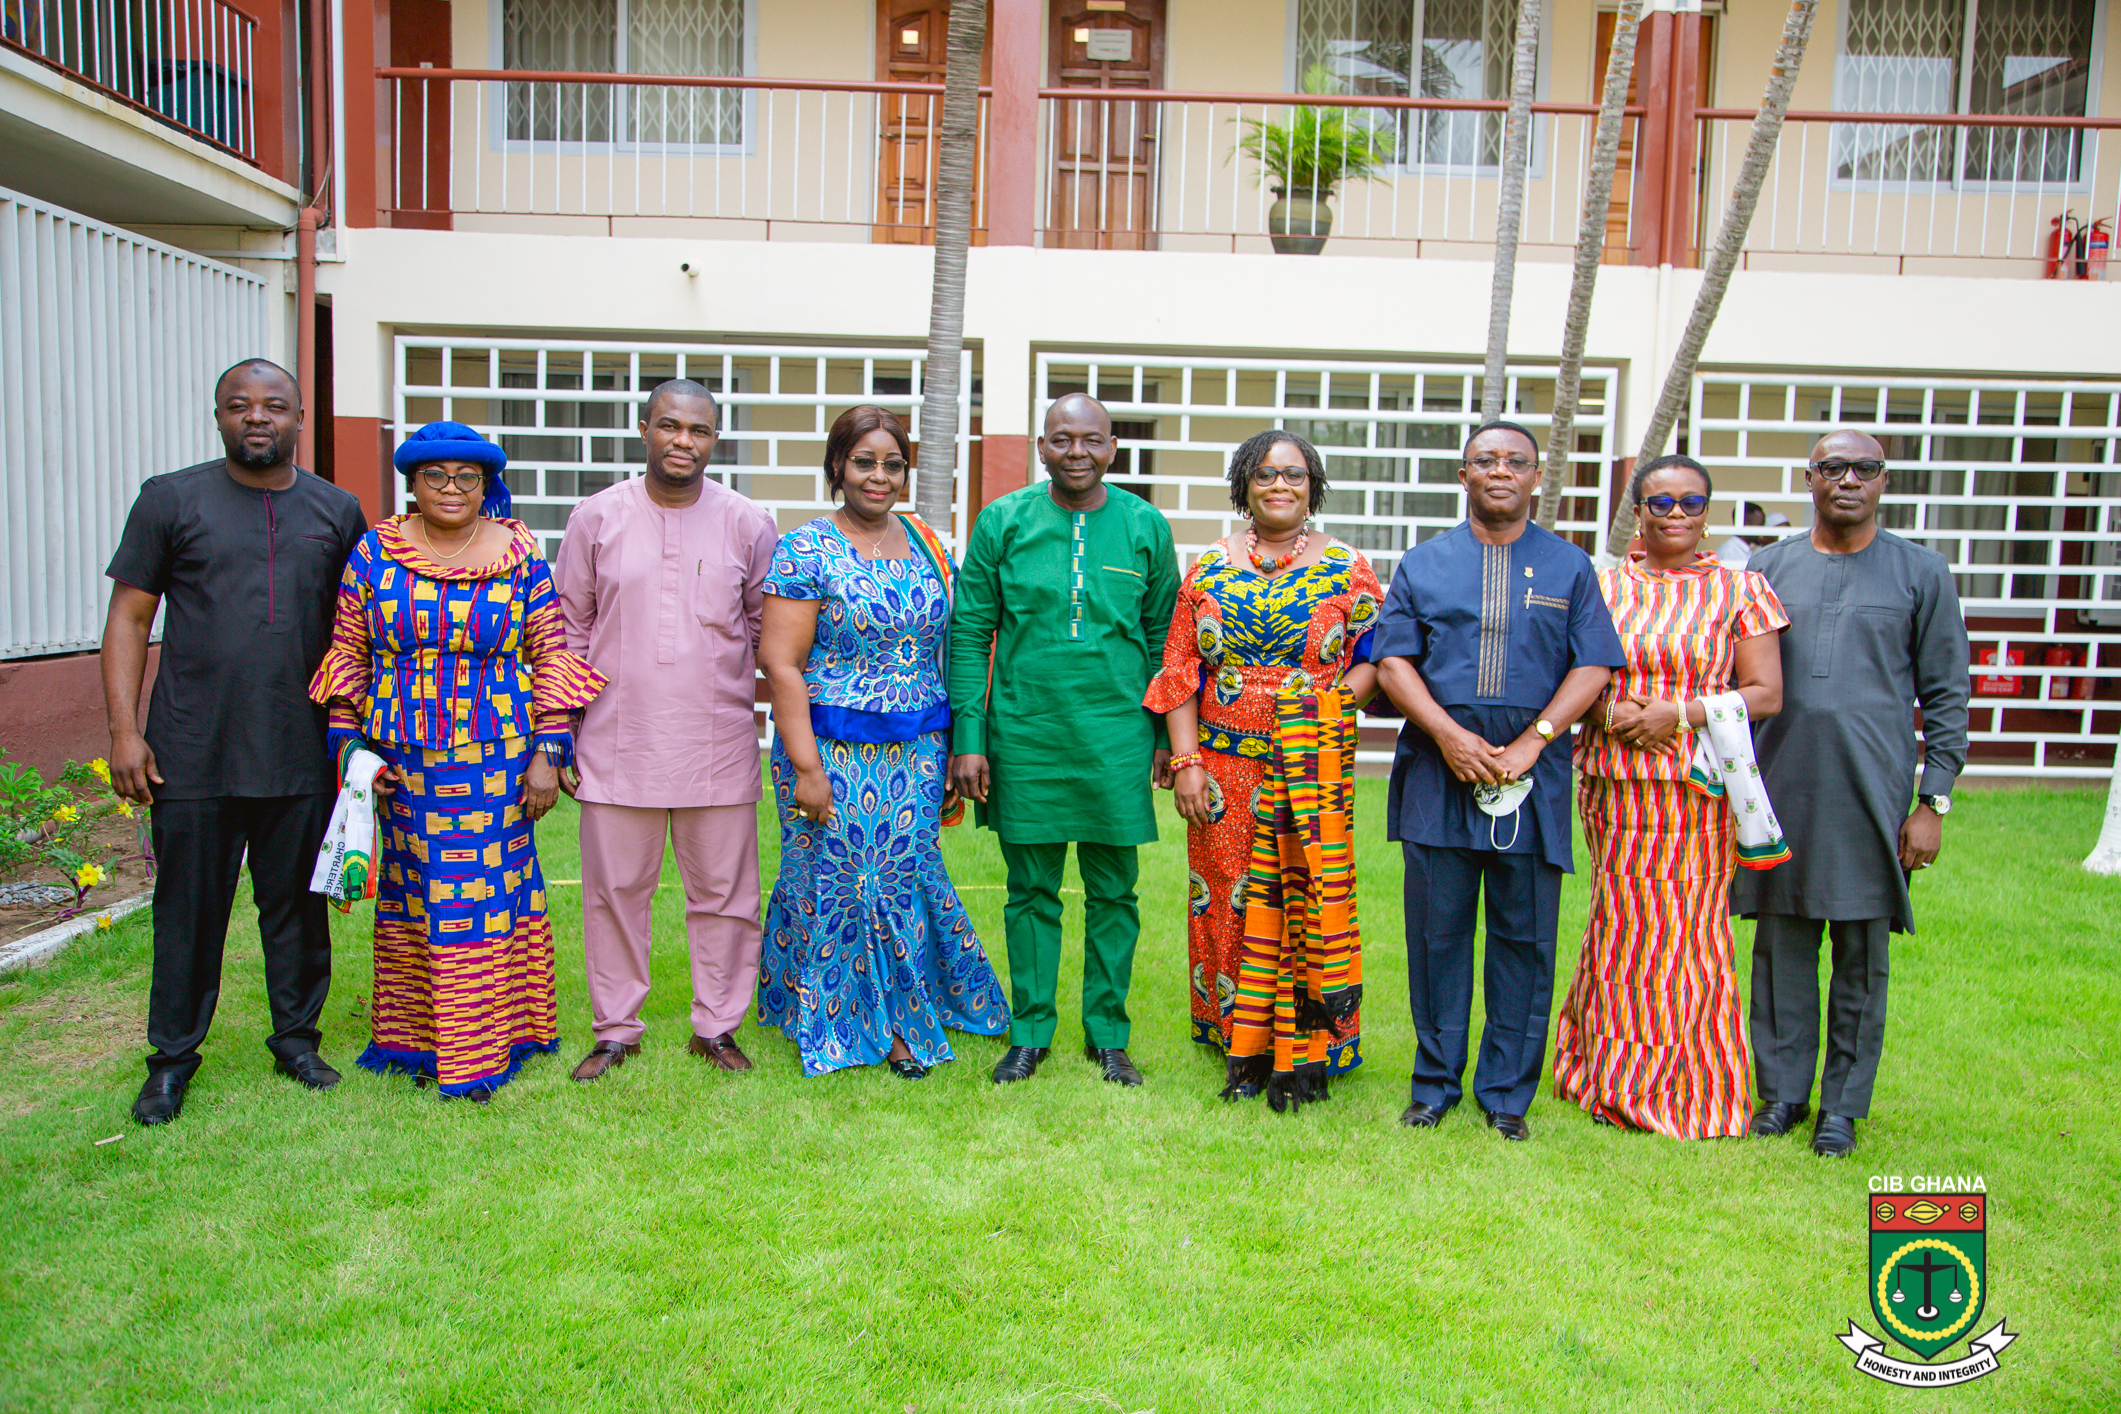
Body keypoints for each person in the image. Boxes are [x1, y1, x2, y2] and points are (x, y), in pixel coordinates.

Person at [102, 359, 367, 1127]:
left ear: (298, 418)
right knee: (187, 912)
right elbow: (128, 619)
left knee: (296, 910)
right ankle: (171, 1061)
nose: (258, 417)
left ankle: (296, 1042)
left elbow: (360, 632)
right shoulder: (169, 500)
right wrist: (124, 731)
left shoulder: (336, 510)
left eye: (274, 406)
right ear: (218, 416)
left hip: (302, 749)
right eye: (239, 406)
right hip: (193, 750)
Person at [309, 422, 606, 1101]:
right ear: (412, 483)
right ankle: (419, 1040)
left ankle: (482, 1050)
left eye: (466, 477)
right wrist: (346, 743)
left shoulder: (520, 552)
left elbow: (550, 652)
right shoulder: (374, 552)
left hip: (496, 763)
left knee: (485, 904)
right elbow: (349, 649)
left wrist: (549, 751)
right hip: (403, 763)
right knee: (415, 900)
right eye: (435, 476)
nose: (450, 488)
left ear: (486, 484)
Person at [1372, 421, 1624, 1141]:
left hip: (1530, 782)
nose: (1501, 471)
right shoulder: (1424, 564)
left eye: (1516, 461)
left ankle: (1507, 1094)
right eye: (1485, 460)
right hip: (1435, 775)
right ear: (1463, 475)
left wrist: (1531, 743)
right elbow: (1393, 664)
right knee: (1436, 936)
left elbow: (1593, 666)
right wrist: (1449, 736)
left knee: (1525, 938)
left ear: (1537, 478)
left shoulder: (1569, 567)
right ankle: (1434, 1083)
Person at [1733, 430, 1969, 1158]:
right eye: (1831, 467)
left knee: (1861, 951)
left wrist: (1931, 802)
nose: (1847, 479)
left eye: (1863, 468)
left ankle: (1842, 1107)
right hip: (1779, 782)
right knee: (1781, 944)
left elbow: (1947, 692)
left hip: (1874, 786)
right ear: (1808, 478)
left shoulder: (1919, 572)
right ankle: (1781, 1096)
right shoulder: (1767, 568)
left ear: (1882, 481)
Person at [755, 406, 1009, 1077]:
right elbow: (780, 663)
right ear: (837, 466)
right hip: (830, 751)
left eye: (892, 464)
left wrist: (957, 743)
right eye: (864, 462)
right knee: (840, 880)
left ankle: (905, 1005)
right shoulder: (804, 548)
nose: (878, 475)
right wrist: (806, 767)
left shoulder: (926, 542)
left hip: (916, 752)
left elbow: (948, 646)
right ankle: (870, 1025)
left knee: (904, 875)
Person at [1550, 454, 1790, 1139]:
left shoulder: (1741, 588)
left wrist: (1675, 714)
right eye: (1661, 502)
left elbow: (1765, 693)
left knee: (1686, 935)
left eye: (1690, 502)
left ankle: (1689, 1088)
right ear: (1638, 510)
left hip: (1694, 790)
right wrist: (1607, 714)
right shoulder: (1601, 584)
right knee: (1621, 926)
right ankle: (1599, 1074)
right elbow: (1574, 671)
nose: (1676, 514)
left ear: (1707, 511)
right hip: (1615, 788)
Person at [1144, 430, 1381, 1110]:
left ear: (1313, 486)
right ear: (1244, 484)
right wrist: (1185, 761)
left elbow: (1376, 654)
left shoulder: (1346, 568)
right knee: (1226, 892)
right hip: (1223, 765)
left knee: (1307, 892)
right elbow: (1181, 667)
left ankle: (1308, 1042)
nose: (1281, 486)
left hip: (1313, 760)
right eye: (1266, 475)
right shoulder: (1209, 568)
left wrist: (1332, 706)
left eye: (1295, 475)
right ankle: (1235, 1037)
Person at [949, 393, 1180, 1087]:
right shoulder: (1004, 522)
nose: (1075, 452)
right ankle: (1030, 1033)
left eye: (1090, 440)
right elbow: (969, 633)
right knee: (1029, 890)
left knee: (1115, 891)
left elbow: (1166, 641)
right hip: (1024, 732)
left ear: (1112, 449)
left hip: (1115, 734)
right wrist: (970, 735)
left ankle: (1107, 1034)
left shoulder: (1144, 526)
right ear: (1040, 448)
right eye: (1060, 439)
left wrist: (1168, 737)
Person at [555, 379, 780, 1081]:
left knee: (726, 896)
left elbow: (761, 629)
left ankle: (716, 1026)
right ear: (643, 428)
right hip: (616, 740)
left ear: (715, 439)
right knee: (614, 893)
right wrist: (558, 732)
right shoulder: (595, 518)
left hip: (715, 740)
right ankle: (616, 1029)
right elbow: (568, 628)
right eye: (670, 426)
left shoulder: (747, 521)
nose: (683, 441)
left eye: (699, 430)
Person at [1714, 503, 1791, 569]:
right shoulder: (1729, 552)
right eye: (1760, 525)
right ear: (1745, 524)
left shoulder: (1745, 551)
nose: (1763, 530)